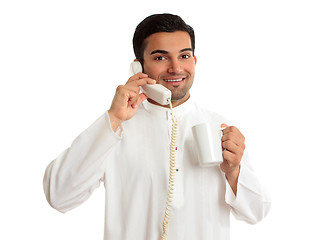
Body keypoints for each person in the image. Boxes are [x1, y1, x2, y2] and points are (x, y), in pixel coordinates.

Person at [43, 13, 271, 240]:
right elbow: (58, 195)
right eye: (161, 58)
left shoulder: (219, 128)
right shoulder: (114, 130)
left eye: (184, 55)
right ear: (138, 67)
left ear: (195, 61)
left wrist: (233, 171)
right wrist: (113, 119)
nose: (175, 68)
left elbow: (257, 212)